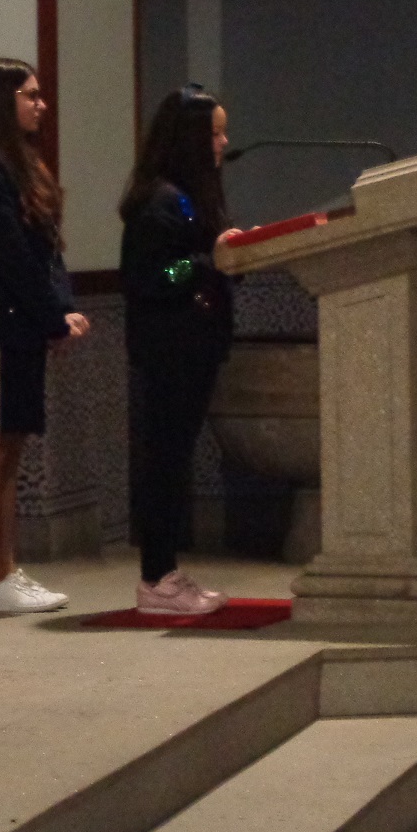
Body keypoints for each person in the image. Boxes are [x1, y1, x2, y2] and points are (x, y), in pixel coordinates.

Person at [0, 59, 87, 613]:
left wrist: (62, 311)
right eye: (30, 95)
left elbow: (46, 249)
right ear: (1, 100)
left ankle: (6, 568)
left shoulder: (19, 161)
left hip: (23, 324)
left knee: (12, 447)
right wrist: (51, 317)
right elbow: (7, 253)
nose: (41, 104)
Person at [119, 85, 241, 614]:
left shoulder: (187, 197)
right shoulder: (160, 201)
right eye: (214, 133)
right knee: (165, 461)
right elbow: (150, 275)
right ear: (190, 138)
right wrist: (206, 260)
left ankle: (166, 571)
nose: (223, 143)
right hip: (169, 347)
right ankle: (156, 577)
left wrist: (229, 254)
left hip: (192, 344)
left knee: (175, 458)